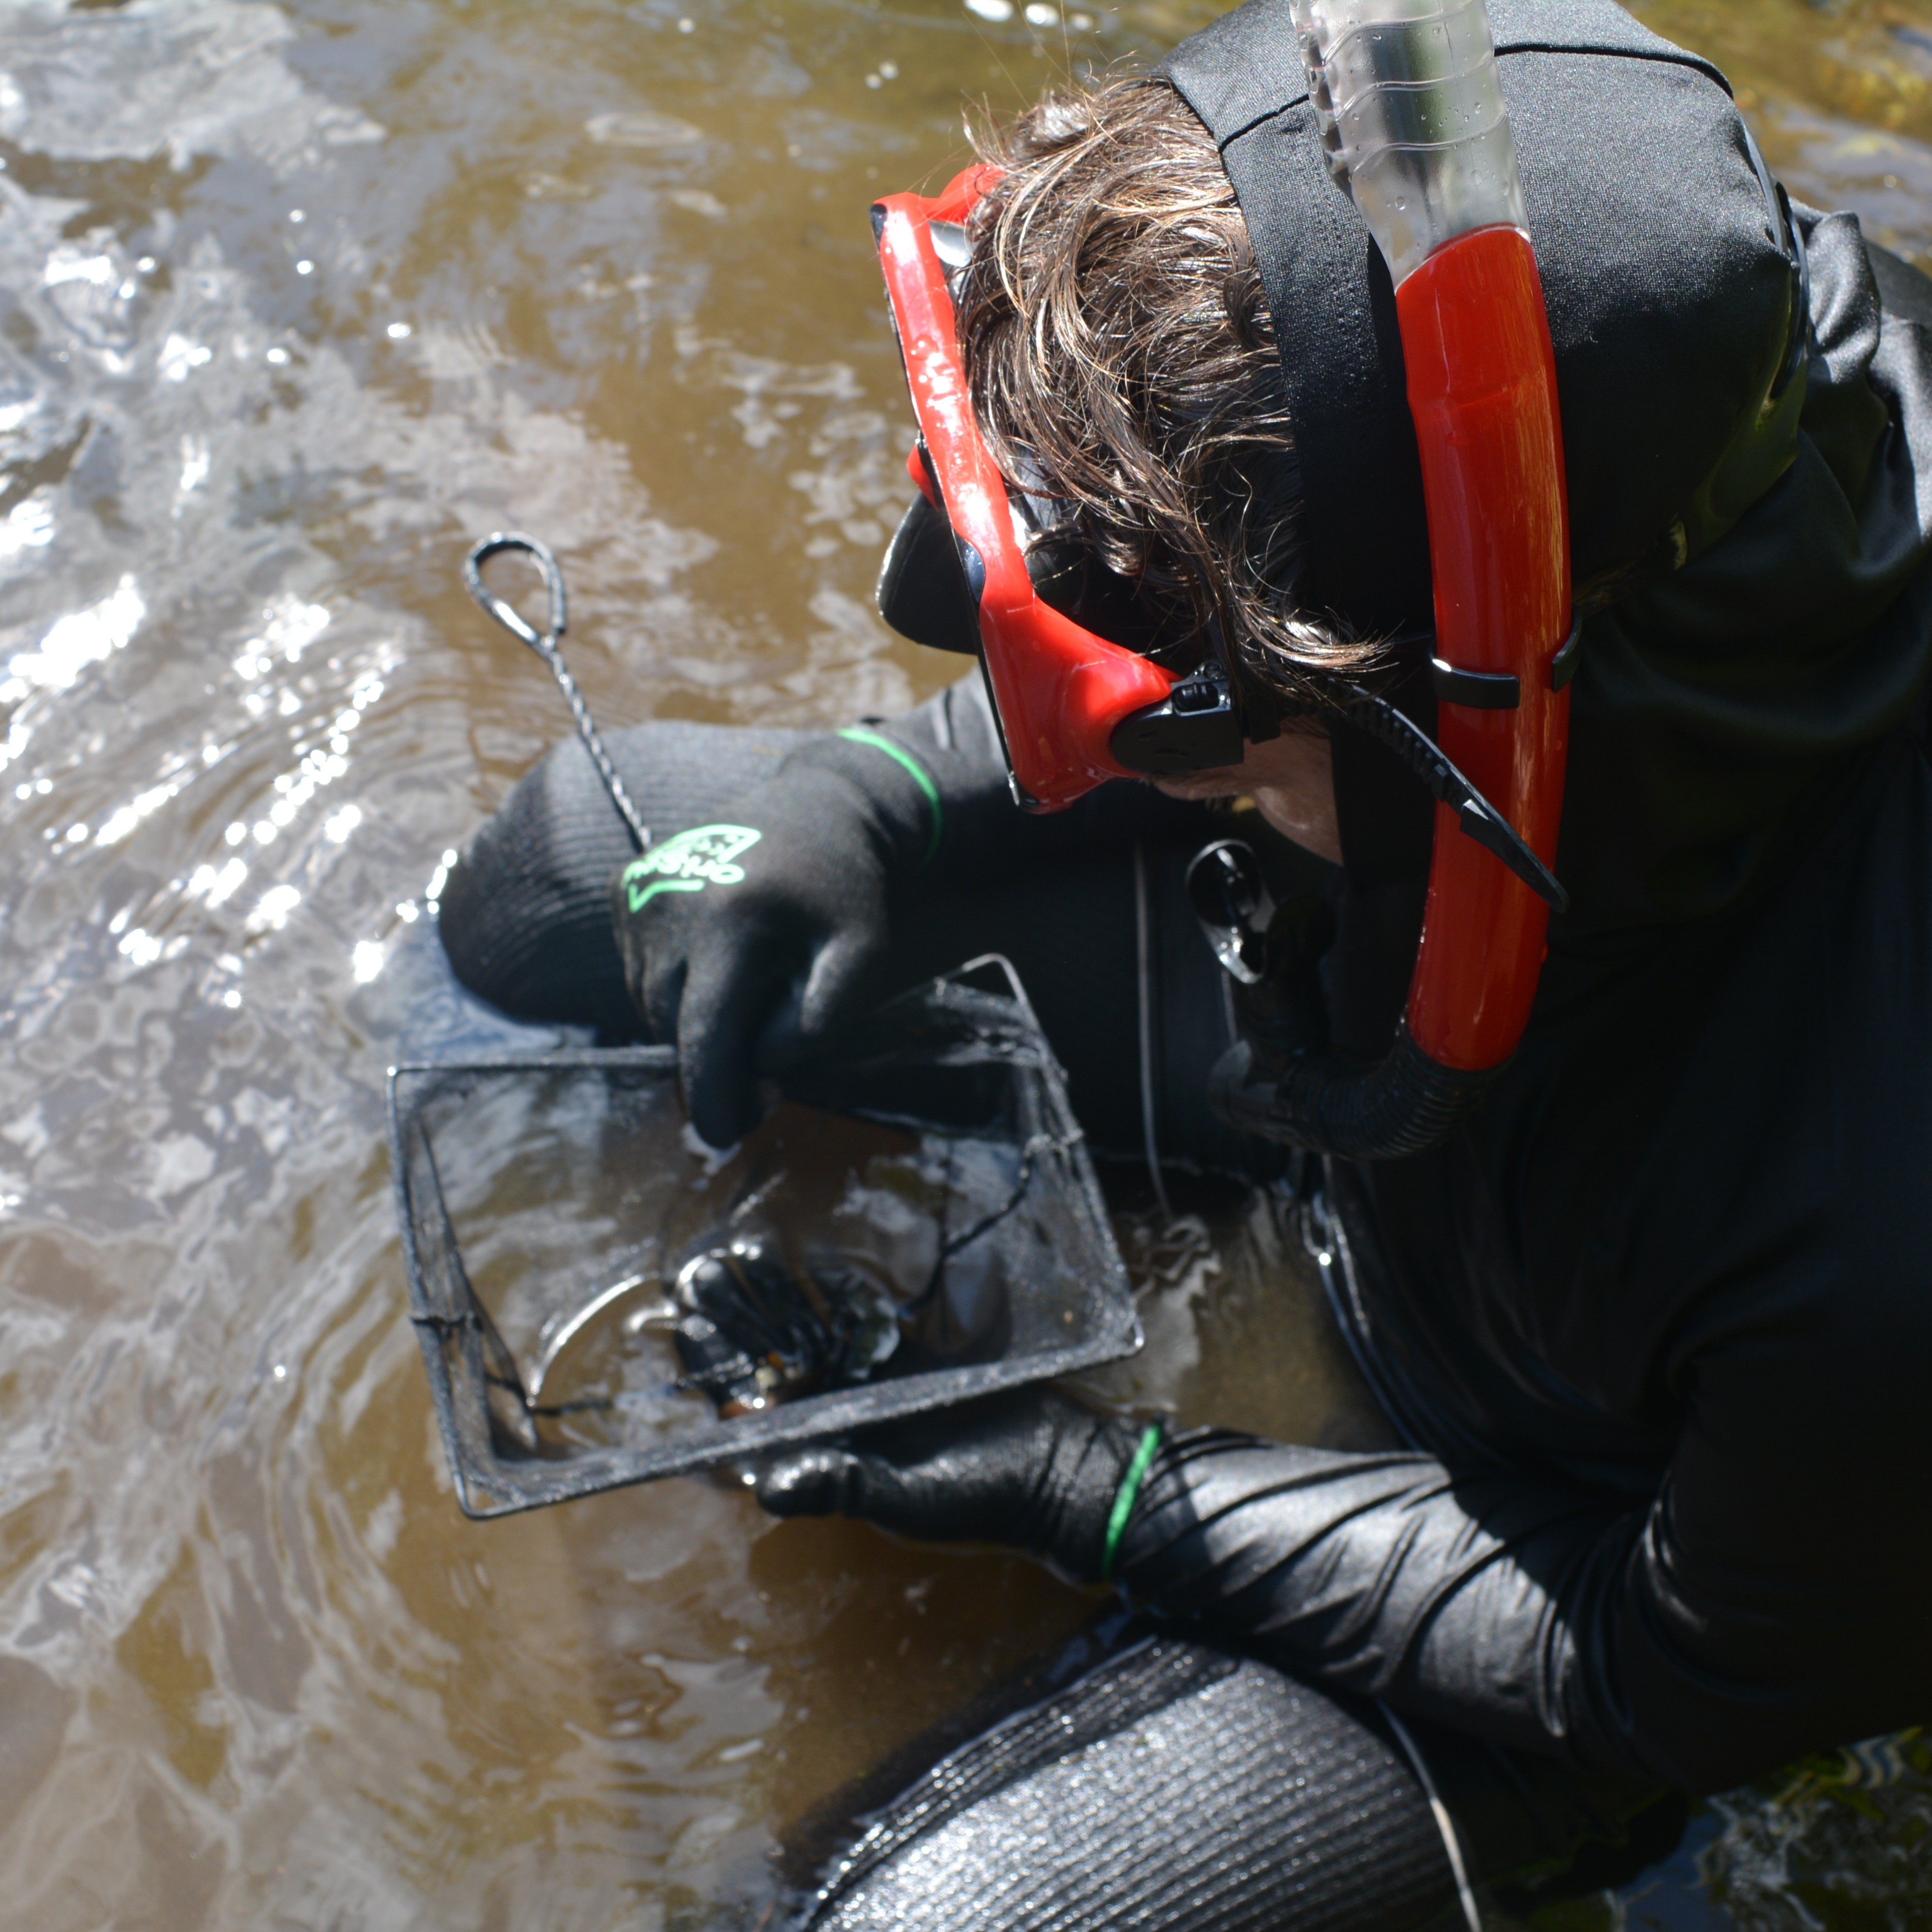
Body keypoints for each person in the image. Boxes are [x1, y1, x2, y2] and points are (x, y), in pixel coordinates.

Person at [438, 1, 1932, 1923]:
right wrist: (874, 804)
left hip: (1565, 1527)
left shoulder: (1878, 1225)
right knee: (571, 869)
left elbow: (1672, 1671)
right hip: (1387, 976)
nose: (981, 661)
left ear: (1438, 714)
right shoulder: (1614, 369)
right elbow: (1288, 603)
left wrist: (1096, 1489)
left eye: (1124, 689)